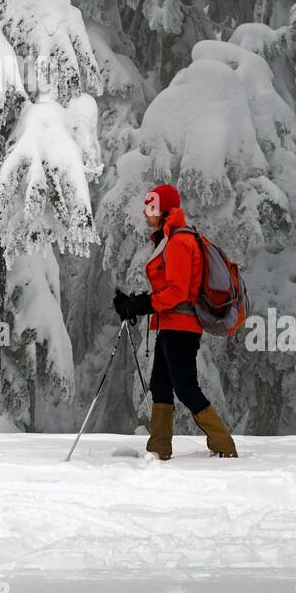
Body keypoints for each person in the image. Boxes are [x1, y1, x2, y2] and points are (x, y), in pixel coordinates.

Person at [113, 184, 237, 459]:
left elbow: (178, 291)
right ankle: (158, 448)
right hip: (170, 325)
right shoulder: (170, 239)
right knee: (160, 384)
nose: (145, 213)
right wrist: (135, 301)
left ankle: (224, 445)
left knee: (185, 387)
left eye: (150, 207)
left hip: (181, 327)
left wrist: (143, 304)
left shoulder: (180, 241)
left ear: (164, 209)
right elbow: (169, 288)